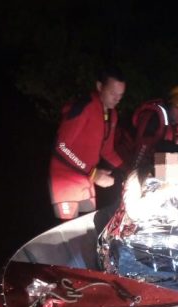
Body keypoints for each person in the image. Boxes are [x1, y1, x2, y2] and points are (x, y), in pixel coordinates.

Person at [48, 65, 129, 221]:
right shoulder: (84, 107)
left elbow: (107, 151)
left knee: (87, 230)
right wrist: (93, 173)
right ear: (99, 87)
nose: (117, 99)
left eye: (121, 95)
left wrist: (129, 170)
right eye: (113, 93)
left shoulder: (112, 115)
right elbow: (62, 147)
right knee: (69, 234)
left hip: (86, 180)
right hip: (65, 180)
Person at [130, 85, 178, 170]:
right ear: (169, 104)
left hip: (158, 165)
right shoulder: (154, 117)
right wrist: (135, 173)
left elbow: (174, 152)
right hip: (133, 160)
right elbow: (141, 150)